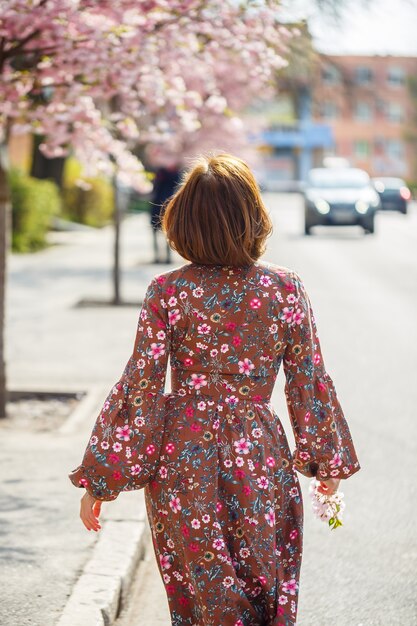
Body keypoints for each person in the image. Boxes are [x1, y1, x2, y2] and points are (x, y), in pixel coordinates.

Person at [70, 154, 361, 626]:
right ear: (254, 217)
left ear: (181, 221)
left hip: (182, 457)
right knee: (262, 584)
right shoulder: (285, 290)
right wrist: (326, 459)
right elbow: (307, 379)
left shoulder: (166, 292)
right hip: (258, 455)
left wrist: (102, 479)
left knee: (200, 595)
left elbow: (141, 387)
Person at [150, 165, 181, 264]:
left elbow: (154, 189)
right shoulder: (174, 174)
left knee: (162, 232)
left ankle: (159, 257)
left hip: (160, 205)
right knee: (167, 232)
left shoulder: (162, 173)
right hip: (168, 205)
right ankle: (164, 257)